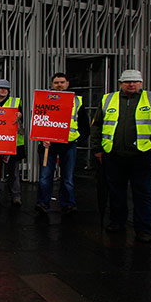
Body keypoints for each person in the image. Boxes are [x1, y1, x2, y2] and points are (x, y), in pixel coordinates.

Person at [90, 69, 151, 243]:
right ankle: (117, 222)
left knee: (143, 192)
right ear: (120, 83)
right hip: (114, 154)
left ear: (141, 83)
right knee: (116, 191)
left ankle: (143, 228)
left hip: (141, 155)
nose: (131, 84)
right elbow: (97, 125)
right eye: (127, 82)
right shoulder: (108, 99)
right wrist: (97, 148)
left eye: (135, 81)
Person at [35, 73, 90, 215]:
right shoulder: (44, 99)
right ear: (52, 84)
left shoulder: (77, 101)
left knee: (67, 178)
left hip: (68, 145)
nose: (59, 85)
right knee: (45, 177)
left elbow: (84, 125)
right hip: (48, 146)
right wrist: (41, 138)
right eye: (56, 82)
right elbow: (38, 121)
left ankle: (68, 204)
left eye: (62, 82)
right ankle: (43, 203)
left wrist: (77, 138)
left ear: (67, 83)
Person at [0, 78, 25, 207]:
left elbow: (22, 121)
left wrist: (19, 116)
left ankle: (15, 196)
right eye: (1, 88)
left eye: (5, 88)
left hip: (13, 143)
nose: (3, 90)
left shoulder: (15, 102)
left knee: (13, 172)